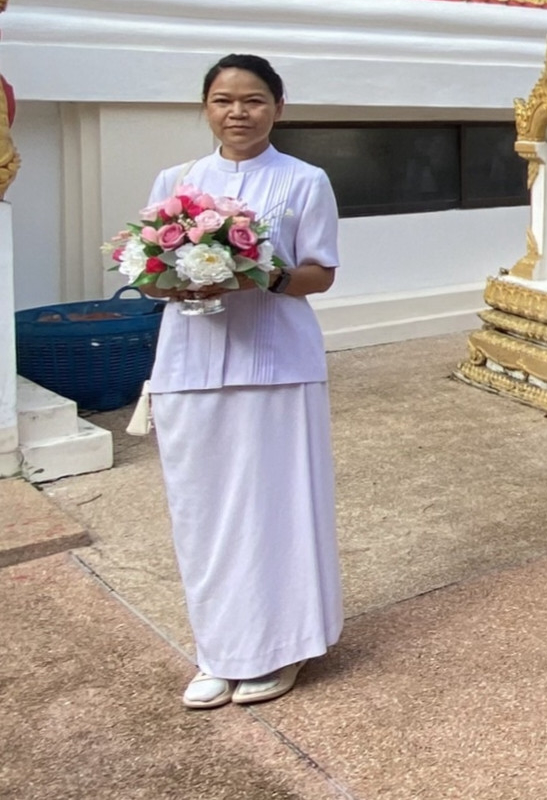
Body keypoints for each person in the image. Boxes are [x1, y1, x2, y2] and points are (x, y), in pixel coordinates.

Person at [142, 55, 341, 710]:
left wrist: (262, 274)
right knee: (202, 512)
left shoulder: (305, 180)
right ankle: (219, 650)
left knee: (275, 505)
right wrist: (180, 276)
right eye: (224, 100)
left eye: (253, 100)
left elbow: (320, 272)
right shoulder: (176, 182)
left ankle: (279, 647)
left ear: (277, 109)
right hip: (192, 363)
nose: (238, 113)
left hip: (275, 361)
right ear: (206, 107)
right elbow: (148, 272)